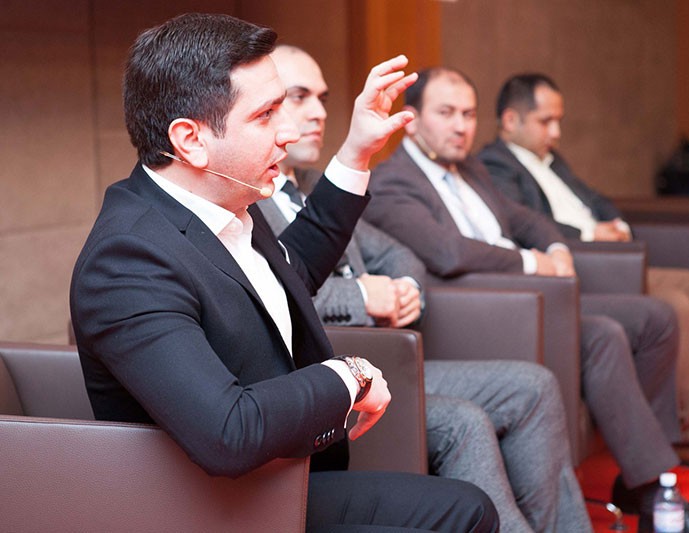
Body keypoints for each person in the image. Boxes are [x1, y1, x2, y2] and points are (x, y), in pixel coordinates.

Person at [69, 14, 499, 532]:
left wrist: (357, 152)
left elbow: (293, 270)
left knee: (469, 509)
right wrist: (350, 376)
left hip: (275, 480)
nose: (289, 133)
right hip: (212, 508)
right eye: (267, 115)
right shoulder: (126, 260)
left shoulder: (218, 203)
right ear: (190, 139)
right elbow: (228, 432)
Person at [362, 67, 689, 532]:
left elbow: (524, 218)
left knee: (656, 319)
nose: (461, 126)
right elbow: (448, 252)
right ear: (411, 120)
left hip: (534, 298)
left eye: (468, 114)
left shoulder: (470, 168)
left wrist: (555, 247)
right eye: (446, 113)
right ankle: (653, 491)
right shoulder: (392, 180)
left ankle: (646, 477)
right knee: (603, 336)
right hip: (486, 311)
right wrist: (532, 263)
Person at [255, 44, 590, 532]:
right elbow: (265, 292)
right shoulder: (246, 199)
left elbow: (397, 254)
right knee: (465, 421)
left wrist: (404, 287)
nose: (320, 113)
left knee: (534, 386)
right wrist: (362, 296)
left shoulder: (313, 184)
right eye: (298, 96)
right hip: (333, 375)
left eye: (323, 98)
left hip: (390, 357)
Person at [479, 73, 689, 475]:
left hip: (617, 259)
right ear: (511, 120)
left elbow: (596, 199)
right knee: (675, 305)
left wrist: (614, 223)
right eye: (546, 121)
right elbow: (527, 224)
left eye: (558, 121)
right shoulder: (495, 165)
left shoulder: (552, 160)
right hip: (588, 267)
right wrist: (591, 234)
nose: (556, 132)